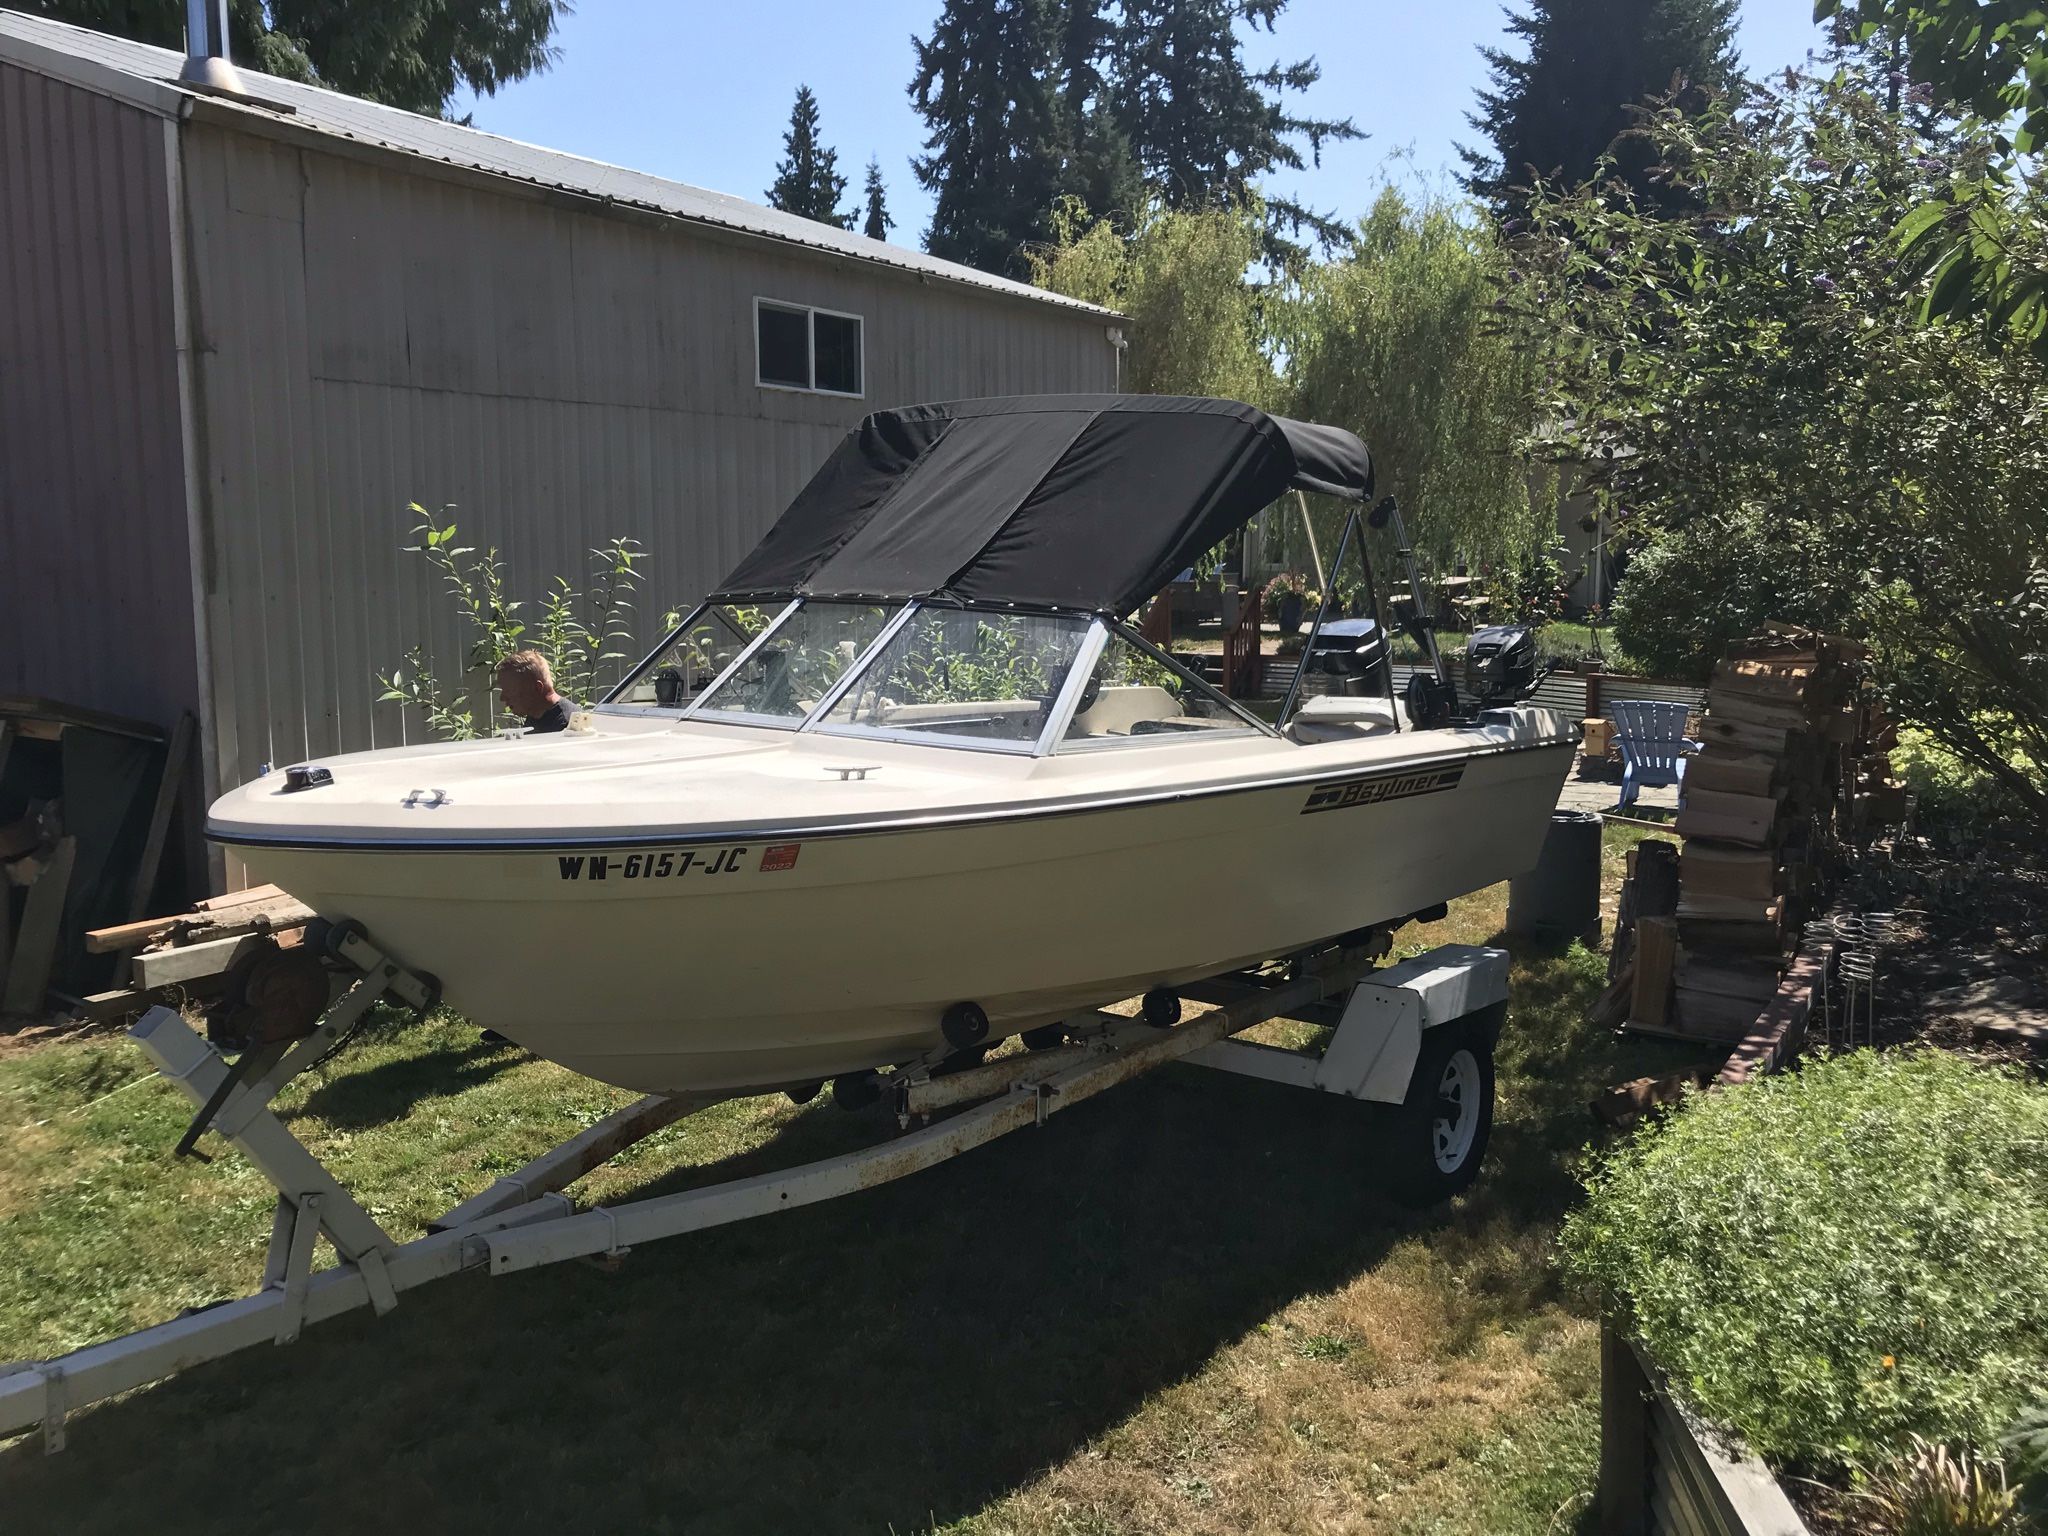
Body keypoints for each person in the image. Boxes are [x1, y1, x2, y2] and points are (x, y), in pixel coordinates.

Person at [496, 650, 575, 734]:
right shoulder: (535, 714)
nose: (502, 698)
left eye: (510, 690)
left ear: (537, 688)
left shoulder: (570, 727)